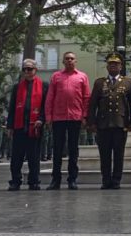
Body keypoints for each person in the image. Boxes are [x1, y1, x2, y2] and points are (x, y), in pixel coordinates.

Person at [87, 52, 131, 189]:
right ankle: (105, 180)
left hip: (120, 124)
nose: (113, 66)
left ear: (121, 66)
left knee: (119, 154)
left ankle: (116, 180)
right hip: (103, 124)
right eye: (111, 64)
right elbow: (93, 104)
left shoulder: (128, 82)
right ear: (107, 67)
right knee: (105, 155)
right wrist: (91, 122)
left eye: (116, 64)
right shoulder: (99, 82)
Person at [45, 51, 90, 190]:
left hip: (75, 118)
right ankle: (55, 180)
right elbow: (50, 97)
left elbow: (86, 98)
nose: (69, 60)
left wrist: (85, 116)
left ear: (75, 61)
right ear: (63, 61)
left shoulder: (82, 77)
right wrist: (48, 117)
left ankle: (72, 179)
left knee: (73, 150)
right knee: (57, 149)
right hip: (58, 118)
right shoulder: (56, 76)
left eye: (72, 58)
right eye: (67, 59)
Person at [7, 59, 48, 191]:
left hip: (35, 126)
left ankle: (34, 181)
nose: (27, 71)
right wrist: (10, 126)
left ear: (35, 70)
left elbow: (45, 106)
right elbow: (12, 108)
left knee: (34, 156)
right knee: (16, 157)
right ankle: (15, 181)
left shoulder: (44, 86)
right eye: (25, 69)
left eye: (30, 69)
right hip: (19, 126)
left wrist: (41, 119)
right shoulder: (17, 87)